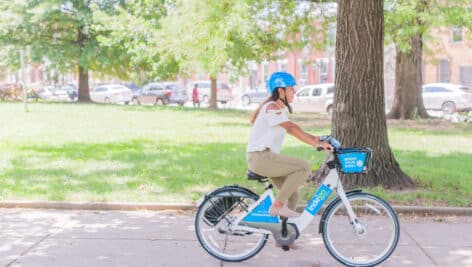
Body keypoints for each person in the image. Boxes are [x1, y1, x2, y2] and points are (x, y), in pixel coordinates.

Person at [246, 72, 333, 218]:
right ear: (281, 91)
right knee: (304, 166)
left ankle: (284, 237)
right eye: (291, 89)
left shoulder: (276, 110)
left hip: (265, 158)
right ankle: (278, 206)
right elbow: (291, 128)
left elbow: (293, 128)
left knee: (293, 196)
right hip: (260, 157)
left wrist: (317, 139)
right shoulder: (271, 107)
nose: (294, 92)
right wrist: (314, 143)